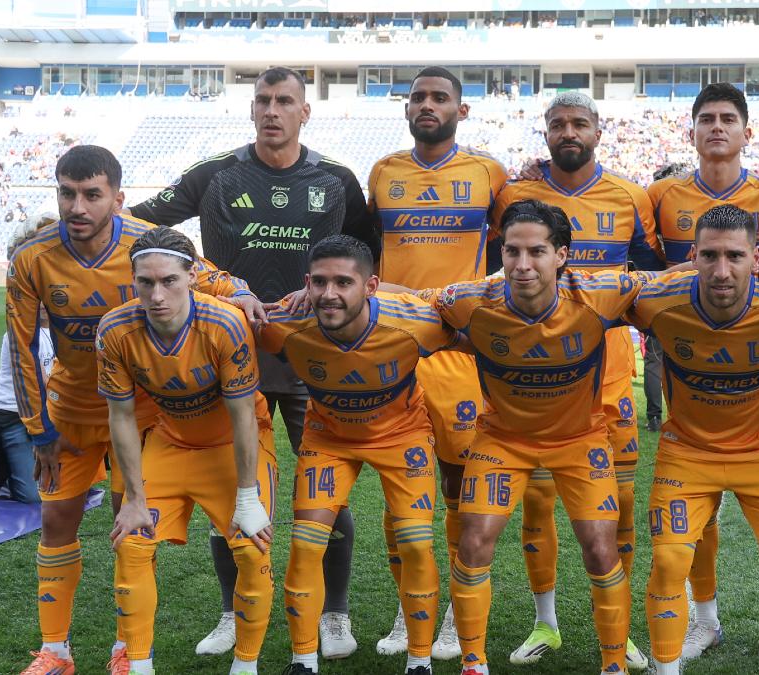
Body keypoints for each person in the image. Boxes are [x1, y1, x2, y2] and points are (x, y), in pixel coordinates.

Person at [129, 66, 374, 659]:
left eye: (284, 101)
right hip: (223, 358)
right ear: (252, 109)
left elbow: (370, 259)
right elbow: (137, 221)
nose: (272, 110)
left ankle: (334, 616)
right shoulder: (216, 174)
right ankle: (232, 612)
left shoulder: (337, 180)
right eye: (262, 100)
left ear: (303, 112)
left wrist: (320, 298)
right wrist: (213, 283)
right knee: (227, 495)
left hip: (310, 359)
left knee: (326, 493)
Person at [7, 145, 261, 675]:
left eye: (91, 195)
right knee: (56, 520)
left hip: (140, 416)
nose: (78, 206)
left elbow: (203, 274)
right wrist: (38, 429)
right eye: (67, 193)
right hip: (70, 414)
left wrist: (238, 289)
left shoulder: (140, 245)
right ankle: (55, 651)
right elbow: (23, 345)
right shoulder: (32, 258)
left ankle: (127, 650)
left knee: (131, 529)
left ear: (117, 198)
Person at [405, 200, 655, 675]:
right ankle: (473, 663)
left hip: (580, 439)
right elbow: (403, 299)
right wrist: (316, 291)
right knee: (474, 539)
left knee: (602, 548)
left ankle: (614, 663)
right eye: (512, 251)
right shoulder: (473, 299)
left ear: (562, 255)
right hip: (503, 440)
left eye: (537, 251)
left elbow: (675, 282)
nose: (522, 265)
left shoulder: (600, 292)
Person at [492, 92, 663, 669]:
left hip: (610, 376)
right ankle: (547, 624)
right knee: (537, 505)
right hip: (538, 379)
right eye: (557, 123)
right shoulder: (514, 195)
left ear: (597, 130)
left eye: (579, 123)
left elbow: (655, 275)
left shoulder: (630, 197)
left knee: (618, 510)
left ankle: (621, 632)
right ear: (544, 132)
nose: (569, 131)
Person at [647, 83, 759, 659]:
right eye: (705, 119)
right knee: (685, 537)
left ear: (747, 130)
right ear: (690, 130)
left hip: (757, 363)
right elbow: (631, 277)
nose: (717, 127)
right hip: (685, 369)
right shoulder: (660, 196)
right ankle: (704, 619)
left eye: (728, 118)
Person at [259, 235, 461, 675]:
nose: (329, 294)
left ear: (369, 286)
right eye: (319, 282)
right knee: (305, 543)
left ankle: (420, 662)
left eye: (343, 282)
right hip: (328, 438)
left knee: (416, 543)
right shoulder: (283, 324)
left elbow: (475, 324)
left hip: (402, 436)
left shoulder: (414, 322)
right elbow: (221, 318)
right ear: (305, 283)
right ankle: (303, 661)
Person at [628, 205, 759, 675]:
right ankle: (686, 645)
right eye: (709, 256)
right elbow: (588, 291)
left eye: (735, 256)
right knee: (669, 559)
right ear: (692, 257)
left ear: (757, 257)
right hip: (687, 451)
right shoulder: (656, 300)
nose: (722, 270)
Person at [366, 66, 506, 660]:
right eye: (418, 97)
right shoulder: (383, 174)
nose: (427, 105)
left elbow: (512, 246)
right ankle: (408, 606)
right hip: (394, 352)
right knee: (397, 489)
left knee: (456, 486)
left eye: (439, 97)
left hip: (457, 354)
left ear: (461, 110)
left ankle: (453, 610)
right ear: (406, 109)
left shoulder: (488, 174)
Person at [100, 227, 276, 675]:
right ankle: (138, 665)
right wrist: (134, 500)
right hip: (171, 441)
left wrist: (247, 496)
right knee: (131, 543)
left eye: (169, 281)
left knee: (253, 550)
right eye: (146, 282)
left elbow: (241, 416)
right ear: (133, 280)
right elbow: (120, 417)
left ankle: (246, 664)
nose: (157, 294)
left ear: (192, 276)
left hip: (231, 446)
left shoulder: (225, 323)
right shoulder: (115, 330)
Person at [0, 227, 55, 504]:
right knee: (34, 497)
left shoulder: (61, 330)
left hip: (51, 413)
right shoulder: (18, 333)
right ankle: (8, 465)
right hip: (17, 416)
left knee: (66, 487)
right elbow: (44, 381)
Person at [641, 162, 690, 434]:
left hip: (662, 290)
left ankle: (655, 417)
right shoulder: (690, 205)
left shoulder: (653, 211)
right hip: (692, 292)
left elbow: (646, 252)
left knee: (655, 357)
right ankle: (683, 416)